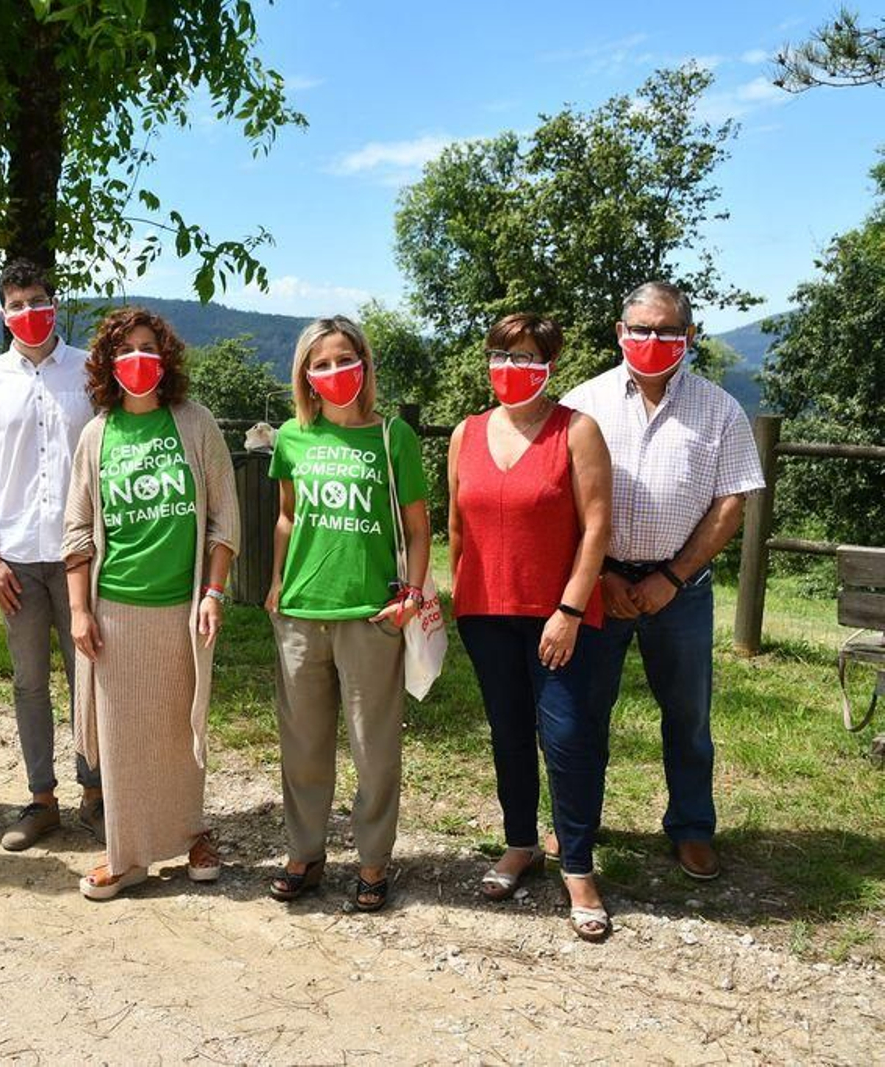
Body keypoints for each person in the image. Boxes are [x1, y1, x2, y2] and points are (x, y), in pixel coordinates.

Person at [560, 282, 765, 882]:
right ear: (619, 332)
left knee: (687, 716)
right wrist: (599, 576)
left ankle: (692, 827)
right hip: (598, 586)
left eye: (668, 330)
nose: (653, 340)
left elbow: (732, 502)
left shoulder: (720, 409)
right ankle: (575, 823)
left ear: (690, 336)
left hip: (681, 589)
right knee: (581, 713)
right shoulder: (583, 403)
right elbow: (560, 498)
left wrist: (672, 577)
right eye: (641, 329)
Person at [63, 307, 239, 900]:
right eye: (125, 350)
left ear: (165, 359)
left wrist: (213, 592)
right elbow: (77, 530)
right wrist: (79, 610)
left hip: (183, 609)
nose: (137, 359)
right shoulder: (97, 435)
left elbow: (224, 519)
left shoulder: (195, 423)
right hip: (115, 610)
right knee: (122, 739)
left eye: (147, 347)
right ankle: (128, 854)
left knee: (179, 728)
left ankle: (192, 834)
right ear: (108, 365)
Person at [448, 313, 615, 942]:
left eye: (525, 358)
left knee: (567, 739)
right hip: (485, 614)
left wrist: (569, 610)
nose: (510, 369)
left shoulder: (577, 431)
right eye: (501, 355)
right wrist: (459, 598)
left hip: (559, 618)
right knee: (509, 734)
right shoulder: (465, 433)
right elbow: (457, 526)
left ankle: (578, 866)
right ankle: (521, 844)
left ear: (549, 365)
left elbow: (597, 527)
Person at [263, 316, 430, 912]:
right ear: (306, 375)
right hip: (301, 611)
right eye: (322, 363)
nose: (335, 372)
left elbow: (417, 527)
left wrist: (411, 595)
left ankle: (373, 859)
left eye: (344, 359)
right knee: (303, 745)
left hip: (370, 614)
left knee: (373, 747)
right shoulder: (291, 436)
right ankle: (304, 853)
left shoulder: (392, 437)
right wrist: (277, 581)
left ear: (364, 365)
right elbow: (287, 515)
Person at [0, 258, 104, 850]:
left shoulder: (89, 371)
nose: (28, 312)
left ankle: (96, 793)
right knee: (28, 682)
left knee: (87, 676)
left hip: (80, 553)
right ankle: (41, 799)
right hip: (17, 554)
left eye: (37, 301)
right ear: (4, 314)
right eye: (16, 305)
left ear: (55, 304)